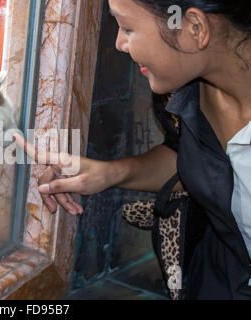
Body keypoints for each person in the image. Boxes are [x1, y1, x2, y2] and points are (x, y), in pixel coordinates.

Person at [14, 0, 251, 299]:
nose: (119, 43)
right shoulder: (179, 95)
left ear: (195, 28)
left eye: (127, 27)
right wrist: (108, 173)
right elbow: (195, 159)